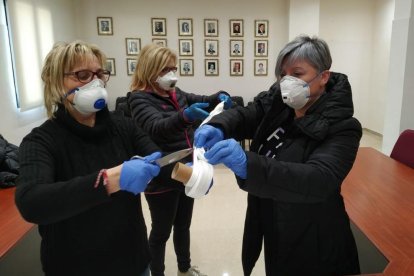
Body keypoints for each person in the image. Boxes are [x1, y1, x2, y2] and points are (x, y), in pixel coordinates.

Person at [194, 35, 362, 275]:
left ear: (323, 76)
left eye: (298, 73)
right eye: (283, 74)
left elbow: (318, 179)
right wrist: (219, 125)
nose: (287, 82)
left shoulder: (344, 127)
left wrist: (247, 164)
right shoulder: (281, 105)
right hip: (276, 225)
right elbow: (249, 114)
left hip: (314, 240)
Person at [15, 40, 164, 276]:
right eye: (82, 75)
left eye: (99, 74)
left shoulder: (123, 126)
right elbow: (31, 202)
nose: (95, 82)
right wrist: (108, 180)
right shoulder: (41, 141)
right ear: (55, 82)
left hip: (133, 261)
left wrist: (189, 171)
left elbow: (158, 161)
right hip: (75, 266)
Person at [127, 43, 232, 276]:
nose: (171, 75)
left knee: (183, 225)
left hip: (187, 169)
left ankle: (184, 268)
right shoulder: (139, 99)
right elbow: (157, 127)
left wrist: (217, 97)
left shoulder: (176, 92)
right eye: (165, 70)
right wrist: (184, 116)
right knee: (161, 232)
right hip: (162, 173)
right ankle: (158, 273)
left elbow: (201, 99)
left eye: (173, 69)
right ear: (150, 69)